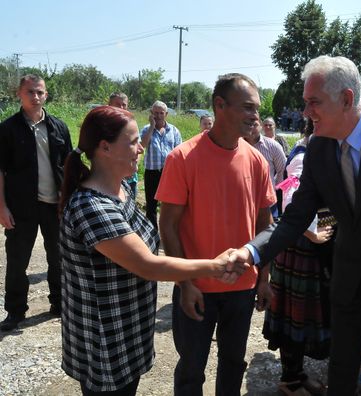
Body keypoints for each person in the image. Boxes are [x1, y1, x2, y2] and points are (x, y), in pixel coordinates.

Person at [231, 55, 361, 396]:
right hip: (348, 279)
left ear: (347, 100)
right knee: (341, 366)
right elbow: (296, 217)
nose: (306, 112)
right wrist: (252, 252)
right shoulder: (320, 147)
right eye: (306, 102)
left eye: (314, 102)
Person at [58, 105, 243, 396]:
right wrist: (215, 266)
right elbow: (149, 265)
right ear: (105, 147)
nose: (140, 149)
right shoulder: (90, 207)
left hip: (127, 328)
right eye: (133, 142)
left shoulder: (122, 191)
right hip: (105, 339)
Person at [156, 73, 276, 395]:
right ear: (219, 106)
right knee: (192, 368)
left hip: (242, 286)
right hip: (196, 287)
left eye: (257, 109)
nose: (255, 116)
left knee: (233, 364)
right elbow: (167, 225)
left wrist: (264, 278)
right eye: (248, 108)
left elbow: (265, 226)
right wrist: (185, 283)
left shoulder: (257, 162)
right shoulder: (182, 158)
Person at [262, 118, 335, 395]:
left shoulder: (315, 153)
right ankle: (290, 381)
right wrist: (313, 235)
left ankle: (297, 375)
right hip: (300, 249)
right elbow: (292, 203)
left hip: (310, 248)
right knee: (295, 316)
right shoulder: (304, 157)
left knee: (302, 317)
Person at [0, 74, 72, 331]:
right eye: (30, 92)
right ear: (19, 94)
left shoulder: (59, 127)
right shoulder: (7, 130)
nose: (36, 96)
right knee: (18, 261)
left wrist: (69, 201)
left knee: (59, 257)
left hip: (55, 206)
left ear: (46, 95)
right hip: (21, 207)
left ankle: (59, 303)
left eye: (40, 92)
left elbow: (69, 166)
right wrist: (2, 207)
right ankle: (15, 312)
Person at [140, 100, 182, 228]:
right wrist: (152, 127)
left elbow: (179, 152)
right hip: (151, 172)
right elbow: (142, 146)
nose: (158, 116)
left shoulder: (174, 130)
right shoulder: (146, 130)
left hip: (168, 173)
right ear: (151, 113)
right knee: (151, 206)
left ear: (166, 114)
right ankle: (153, 236)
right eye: (155, 113)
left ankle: (168, 233)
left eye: (161, 113)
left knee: (169, 205)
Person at [244, 120, 286, 220]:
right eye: (248, 124)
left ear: (260, 126)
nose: (252, 128)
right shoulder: (236, 145)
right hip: (243, 202)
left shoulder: (273, 146)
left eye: (255, 125)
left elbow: (282, 170)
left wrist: (274, 188)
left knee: (267, 234)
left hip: (268, 203)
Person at [108, 92, 138, 196]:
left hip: (130, 179)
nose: (121, 107)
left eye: (124, 105)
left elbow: (138, 148)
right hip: (110, 178)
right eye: (117, 104)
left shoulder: (131, 124)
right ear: (109, 105)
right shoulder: (104, 124)